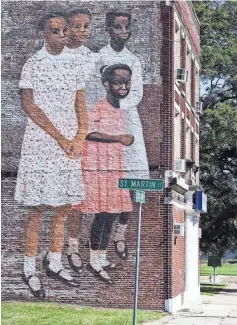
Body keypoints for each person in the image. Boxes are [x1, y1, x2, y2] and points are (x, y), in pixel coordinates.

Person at [16, 12, 87, 297]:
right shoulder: (33, 64)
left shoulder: (75, 63)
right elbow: (29, 106)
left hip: (69, 144)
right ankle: (29, 266)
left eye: (64, 30)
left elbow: (80, 102)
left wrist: (80, 136)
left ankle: (55, 260)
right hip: (41, 142)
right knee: (38, 209)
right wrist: (59, 137)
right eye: (54, 31)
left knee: (63, 207)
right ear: (44, 34)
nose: (60, 35)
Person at [72, 63, 135, 284]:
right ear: (106, 84)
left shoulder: (120, 109)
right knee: (102, 216)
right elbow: (88, 132)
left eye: (127, 82)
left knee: (111, 215)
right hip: (97, 169)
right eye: (118, 81)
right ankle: (93, 259)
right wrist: (118, 138)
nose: (124, 86)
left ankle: (102, 256)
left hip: (114, 169)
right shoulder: (100, 107)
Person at [96, 11, 149, 260]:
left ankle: (120, 233)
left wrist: (119, 105)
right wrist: (106, 109)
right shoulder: (99, 57)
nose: (124, 31)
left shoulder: (134, 60)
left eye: (127, 27)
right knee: (108, 182)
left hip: (128, 122)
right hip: (105, 121)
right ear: (109, 29)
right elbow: (94, 91)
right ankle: (99, 246)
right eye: (118, 27)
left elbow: (135, 93)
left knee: (132, 183)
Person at [63, 7, 97, 274]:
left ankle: (78, 248)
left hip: (84, 133)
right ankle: (63, 249)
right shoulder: (55, 56)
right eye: (77, 26)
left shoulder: (92, 59)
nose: (82, 31)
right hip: (58, 131)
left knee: (81, 199)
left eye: (86, 26)